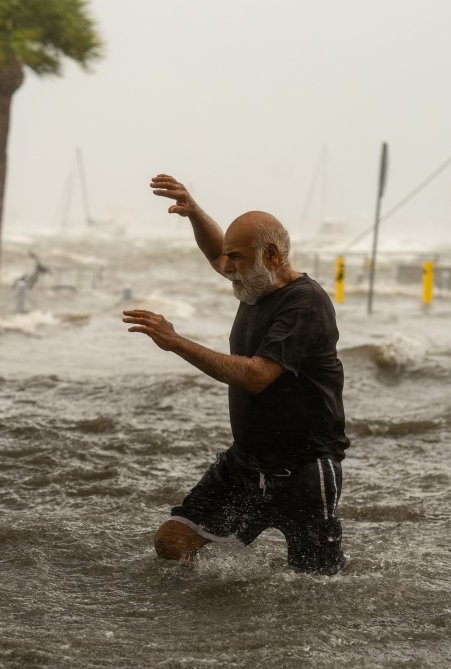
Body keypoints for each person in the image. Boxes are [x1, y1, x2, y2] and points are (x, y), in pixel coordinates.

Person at [123, 174, 350, 575]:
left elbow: (258, 375)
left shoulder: (305, 304)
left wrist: (176, 342)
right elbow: (216, 253)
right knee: (173, 542)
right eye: (229, 258)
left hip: (304, 470)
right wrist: (193, 212)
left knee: (315, 587)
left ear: (274, 256)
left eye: (238, 258)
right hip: (245, 464)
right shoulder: (253, 283)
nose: (227, 267)